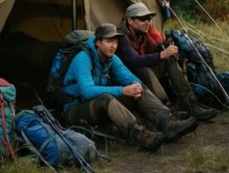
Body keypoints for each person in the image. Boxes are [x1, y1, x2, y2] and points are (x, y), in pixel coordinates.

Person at [60, 23, 198, 151]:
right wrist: (121, 90)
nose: (113, 45)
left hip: (95, 103)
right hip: (75, 108)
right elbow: (88, 91)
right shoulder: (82, 58)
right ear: (98, 42)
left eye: (115, 41)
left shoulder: (111, 58)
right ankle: (141, 136)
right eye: (108, 41)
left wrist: (136, 87)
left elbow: (129, 77)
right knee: (106, 98)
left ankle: (168, 123)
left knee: (138, 87)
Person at [117, 2, 219, 122]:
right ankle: (166, 110)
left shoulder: (142, 34)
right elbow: (133, 61)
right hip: (127, 83)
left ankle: (190, 104)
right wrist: (161, 54)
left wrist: (165, 49)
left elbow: (154, 49)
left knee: (168, 59)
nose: (147, 22)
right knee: (144, 68)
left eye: (149, 19)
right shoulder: (122, 37)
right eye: (143, 19)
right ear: (130, 21)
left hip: (142, 77)